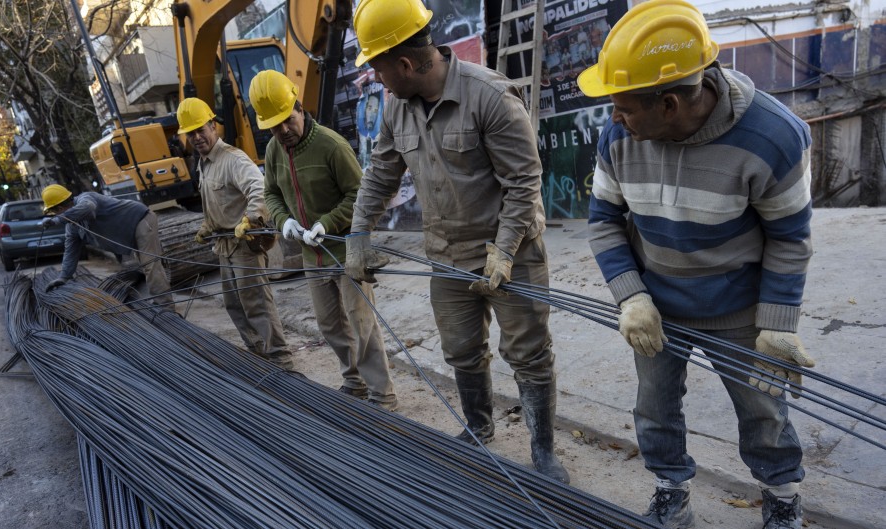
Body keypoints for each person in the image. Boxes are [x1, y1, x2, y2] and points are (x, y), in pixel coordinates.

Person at [577, 1, 814, 528]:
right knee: (655, 407)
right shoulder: (620, 136)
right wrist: (631, 296)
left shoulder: (774, 137)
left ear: (669, 103)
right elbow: (603, 220)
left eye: (623, 105)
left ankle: (781, 495)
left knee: (763, 411)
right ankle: (670, 487)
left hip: (739, 309)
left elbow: (790, 238)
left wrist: (777, 324)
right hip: (657, 306)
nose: (613, 116)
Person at [347, 0, 569, 483]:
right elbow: (380, 174)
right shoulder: (395, 107)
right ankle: (479, 427)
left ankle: (544, 450)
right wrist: (359, 234)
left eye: (380, 69)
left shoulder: (488, 95)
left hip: (511, 252)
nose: (377, 80)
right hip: (447, 256)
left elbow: (525, 181)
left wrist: (505, 250)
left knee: (528, 354)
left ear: (405, 64)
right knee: (462, 350)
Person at [248, 69, 398, 411]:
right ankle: (353, 382)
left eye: (287, 120)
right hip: (310, 256)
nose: (283, 130)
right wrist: (284, 220)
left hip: (345, 250)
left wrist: (326, 222)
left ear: (299, 109)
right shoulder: (274, 151)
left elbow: (359, 193)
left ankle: (382, 394)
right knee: (330, 324)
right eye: (274, 125)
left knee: (361, 323)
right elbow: (270, 192)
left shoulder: (330, 145)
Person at [179, 97, 294, 370]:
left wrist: (250, 219)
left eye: (201, 129)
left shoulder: (233, 159)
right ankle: (258, 356)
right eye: (191, 133)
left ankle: (281, 360)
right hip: (223, 245)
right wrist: (208, 225)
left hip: (245, 244)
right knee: (234, 305)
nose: (197, 137)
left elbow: (260, 190)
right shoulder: (203, 163)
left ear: (212, 126)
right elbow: (217, 200)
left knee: (256, 304)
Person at [40, 185, 174, 309]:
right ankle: (153, 299)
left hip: (140, 220)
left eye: (54, 212)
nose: (55, 215)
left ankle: (165, 307)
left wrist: (57, 220)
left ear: (60, 208)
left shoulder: (86, 198)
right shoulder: (72, 227)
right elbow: (71, 251)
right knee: (139, 269)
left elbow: (89, 208)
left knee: (150, 263)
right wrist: (64, 276)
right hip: (126, 233)